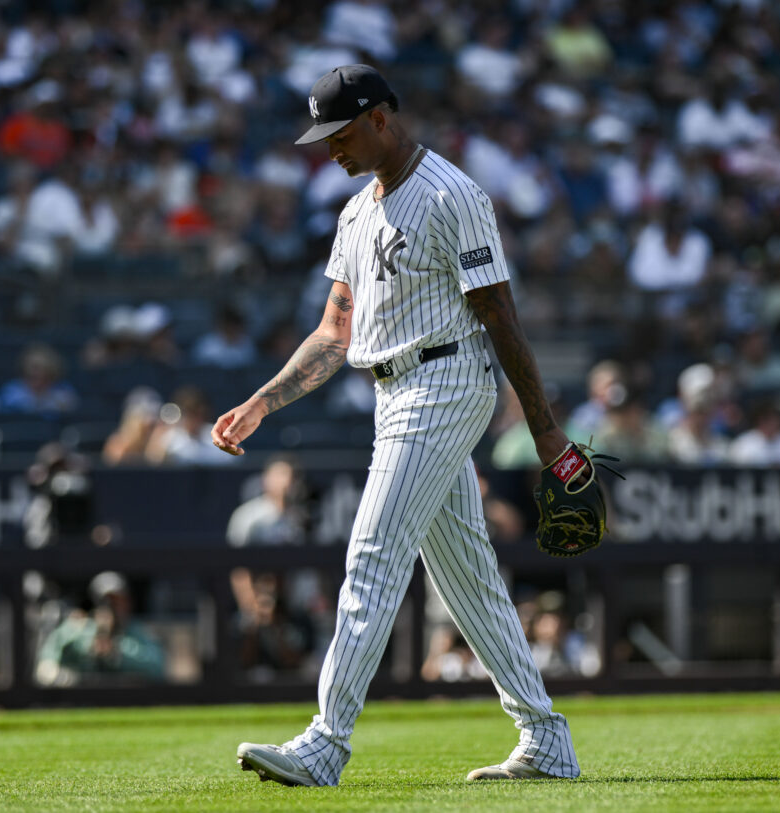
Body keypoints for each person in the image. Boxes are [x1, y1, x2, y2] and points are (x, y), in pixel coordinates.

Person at [215, 66, 583, 785]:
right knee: (468, 576)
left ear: (381, 117)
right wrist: (264, 399)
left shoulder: (452, 194)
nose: (331, 151)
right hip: (393, 392)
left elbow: (500, 316)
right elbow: (334, 332)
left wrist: (543, 428)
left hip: (446, 379)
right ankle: (545, 735)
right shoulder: (356, 213)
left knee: (373, 554)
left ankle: (327, 740)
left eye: (342, 134)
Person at [35, 571, 165, 686]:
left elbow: (157, 667)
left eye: (116, 601)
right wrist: (70, 677)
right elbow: (45, 668)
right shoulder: (76, 629)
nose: (111, 608)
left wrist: (117, 654)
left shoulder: (136, 631)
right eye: (106, 602)